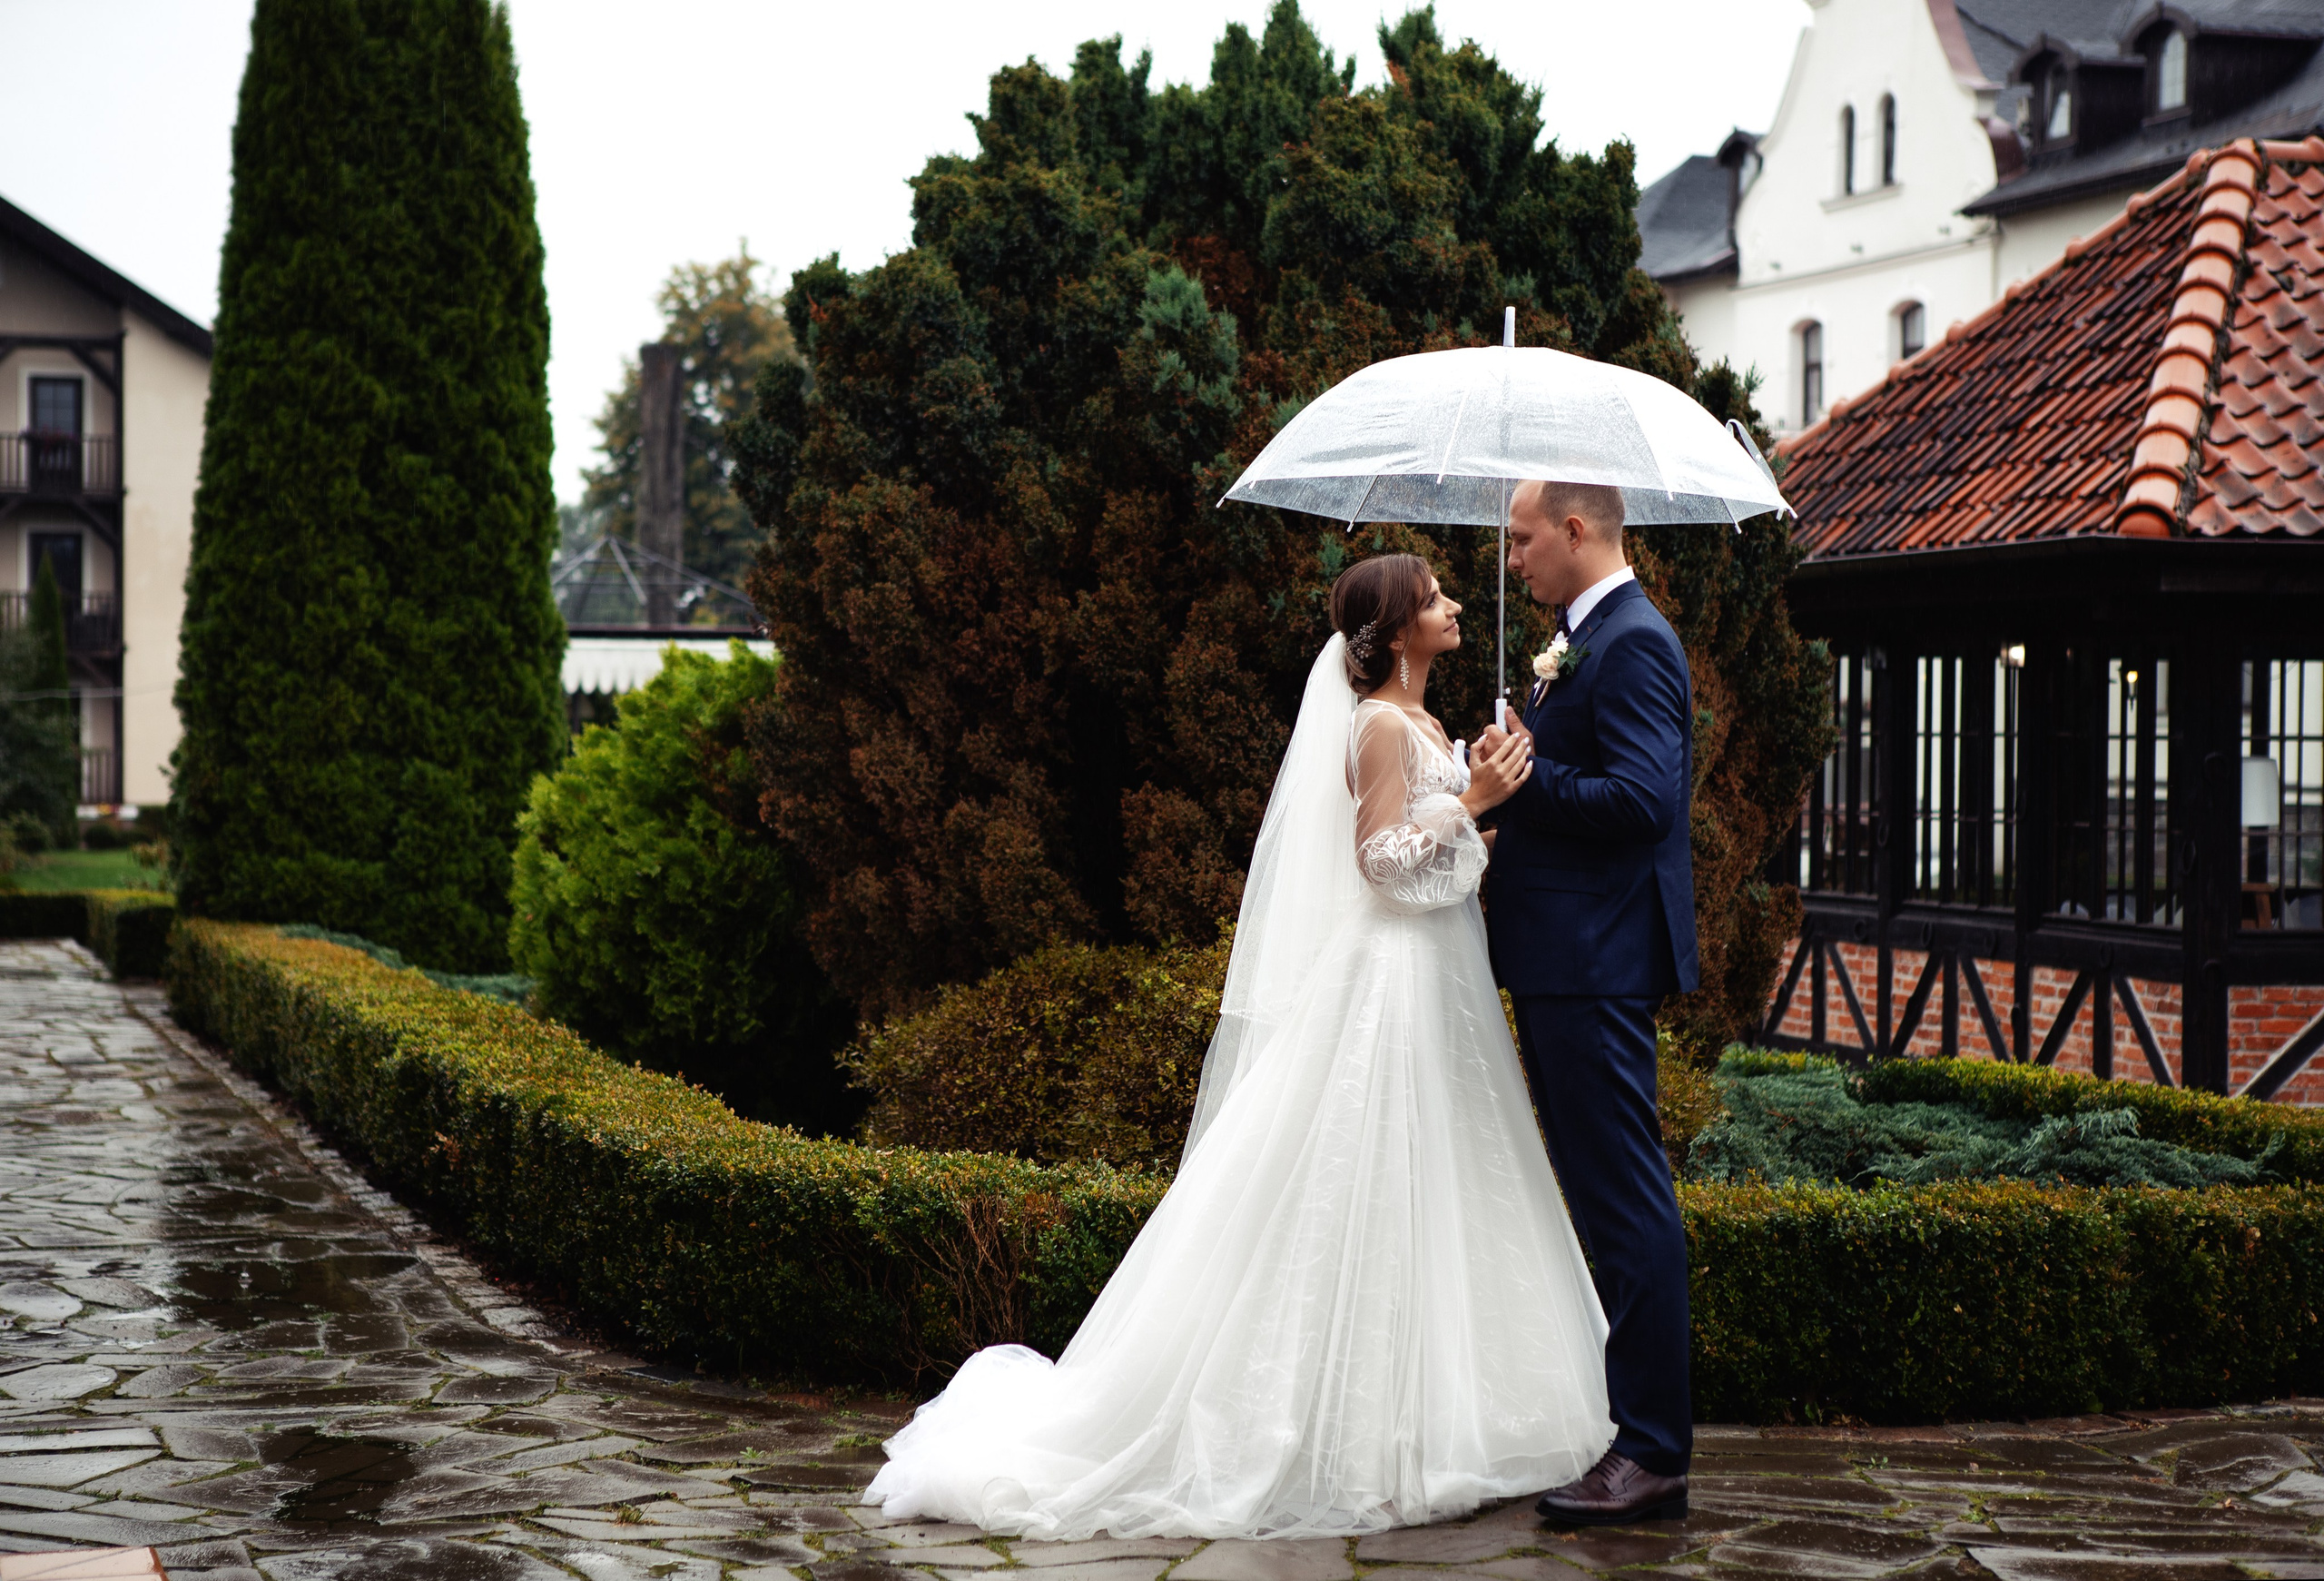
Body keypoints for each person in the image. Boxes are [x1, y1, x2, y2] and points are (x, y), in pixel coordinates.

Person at [864, 554, 1616, 1540]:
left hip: (1442, 974)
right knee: (1373, 1178)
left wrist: (1481, 789)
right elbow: (1382, 866)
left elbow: (1437, 854)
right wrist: (1469, 806)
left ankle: (1432, 1418)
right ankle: (1367, 1436)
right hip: (1390, 980)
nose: (1457, 604)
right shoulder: (1383, 724)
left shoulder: (1427, 724)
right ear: (1396, 633)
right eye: (1435, 599)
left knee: (1438, 1177)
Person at [1477, 479, 1698, 1526]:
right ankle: (1630, 1433)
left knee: (1624, 1202)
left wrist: (1526, 784)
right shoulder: (1583, 639)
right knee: (1604, 1196)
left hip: (1596, 957)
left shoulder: (1633, 640)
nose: (1512, 557)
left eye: (1522, 540)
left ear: (1574, 530)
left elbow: (1645, 800)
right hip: (1566, 952)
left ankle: (1651, 1451)